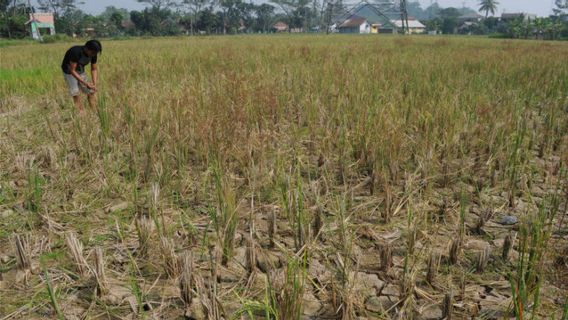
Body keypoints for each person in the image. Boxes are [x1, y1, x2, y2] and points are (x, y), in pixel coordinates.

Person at [61, 40, 101, 111]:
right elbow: (72, 70)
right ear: (87, 48)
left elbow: (94, 69)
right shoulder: (76, 52)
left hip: (80, 70)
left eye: (95, 53)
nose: (93, 55)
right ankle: (81, 114)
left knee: (91, 91)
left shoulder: (93, 54)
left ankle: (94, 111)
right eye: (92, 53)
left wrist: (94, 84)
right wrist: (86, 83)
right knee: (75, 93)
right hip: (69, 71)